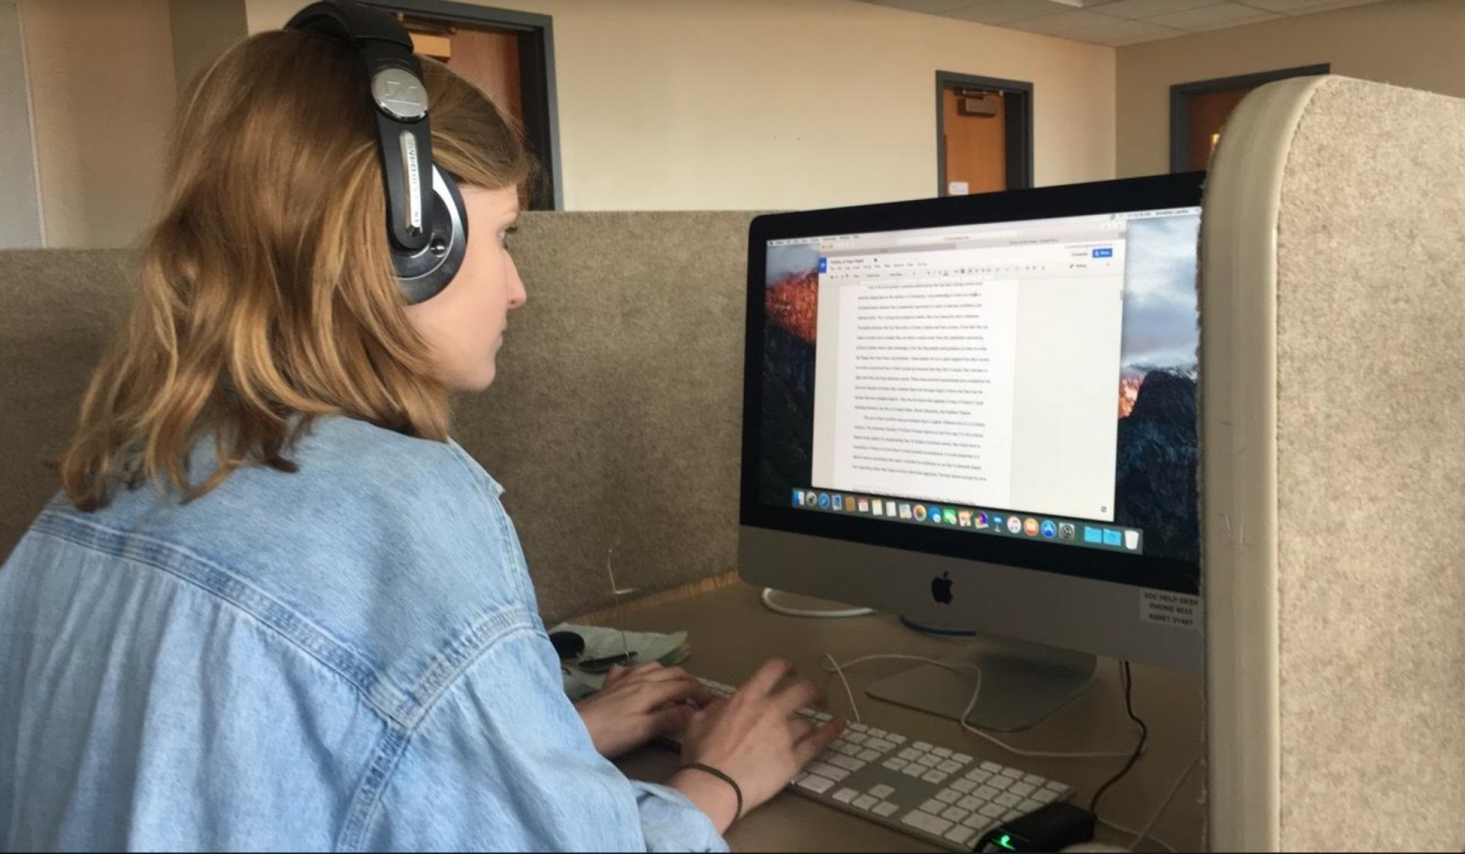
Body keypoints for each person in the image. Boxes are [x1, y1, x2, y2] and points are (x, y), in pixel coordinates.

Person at [0, 13, 842, 852]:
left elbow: (248, 786)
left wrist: (546, 742)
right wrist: (719, 780)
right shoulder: (392, 511)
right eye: (504, 236)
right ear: (412, 241)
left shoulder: (107, 484)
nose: (516, 289)